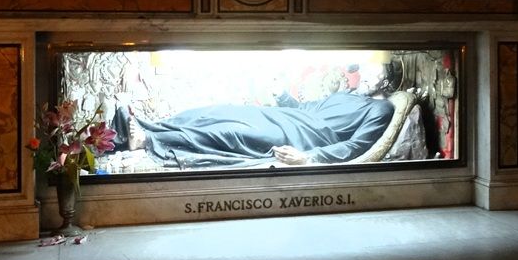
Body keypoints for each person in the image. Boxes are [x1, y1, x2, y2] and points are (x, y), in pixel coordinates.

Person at [127, 73, 395, 169]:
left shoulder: (381, 109)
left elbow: (355, 147)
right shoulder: (342, 96)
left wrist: (307, 157)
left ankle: (149, 140)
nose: (362, 75)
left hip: (300, 138)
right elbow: (305, 108)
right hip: (286, 118)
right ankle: (153, 126)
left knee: (230, 132)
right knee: (219, 111)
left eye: (374, 72)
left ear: (386, 81)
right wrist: (281, 93)